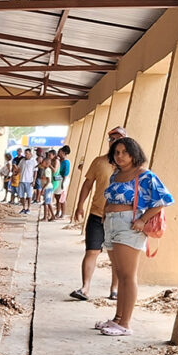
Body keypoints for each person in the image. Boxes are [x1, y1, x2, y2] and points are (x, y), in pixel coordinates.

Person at [94, 136, 173, 336]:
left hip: (129, 224)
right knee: (120, 273)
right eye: (116, 152)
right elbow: (109, 197)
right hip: (111, 223)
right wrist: (105, 214)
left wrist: (143, 220)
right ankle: (117, 318)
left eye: (124, 152)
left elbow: (163, 199)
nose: (120, 156)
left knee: (128, 275)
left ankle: (125, 324)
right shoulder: (116, 174)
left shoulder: (144, 175)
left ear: (134, 154)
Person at [70, 127, 126, 302]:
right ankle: (85, 288)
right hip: (97, 214)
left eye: (118, 138)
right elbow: (87, 184)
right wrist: (80, 205)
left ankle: (115, 288)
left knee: (116, 256)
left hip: (119, 218)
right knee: (92, 251)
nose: (114, 142)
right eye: (111, 139)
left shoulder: (130, 165)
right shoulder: (99, 162)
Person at [18, 148, 38, 215]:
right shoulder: (22, 160)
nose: (26, 155)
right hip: (21, 180)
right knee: (21, 195)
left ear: (30, 154)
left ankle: (29, 208)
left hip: (29, 181)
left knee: (29, 195)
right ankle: (23, 208)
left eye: (27, 153)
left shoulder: (33, 161)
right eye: (25, 153)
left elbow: (35, 171)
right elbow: (19, 168)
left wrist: (34, 181)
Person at [56, 145, 72, 219]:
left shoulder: (66, 162)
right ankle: (57, 212)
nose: (58, 153)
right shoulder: (60, 161)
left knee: (62, 197)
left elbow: (66, 173)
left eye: (60, 152)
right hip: (58, 178)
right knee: (57, 196)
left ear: (63, 153)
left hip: (63, 179)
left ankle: (63, 213)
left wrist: (63, 183)